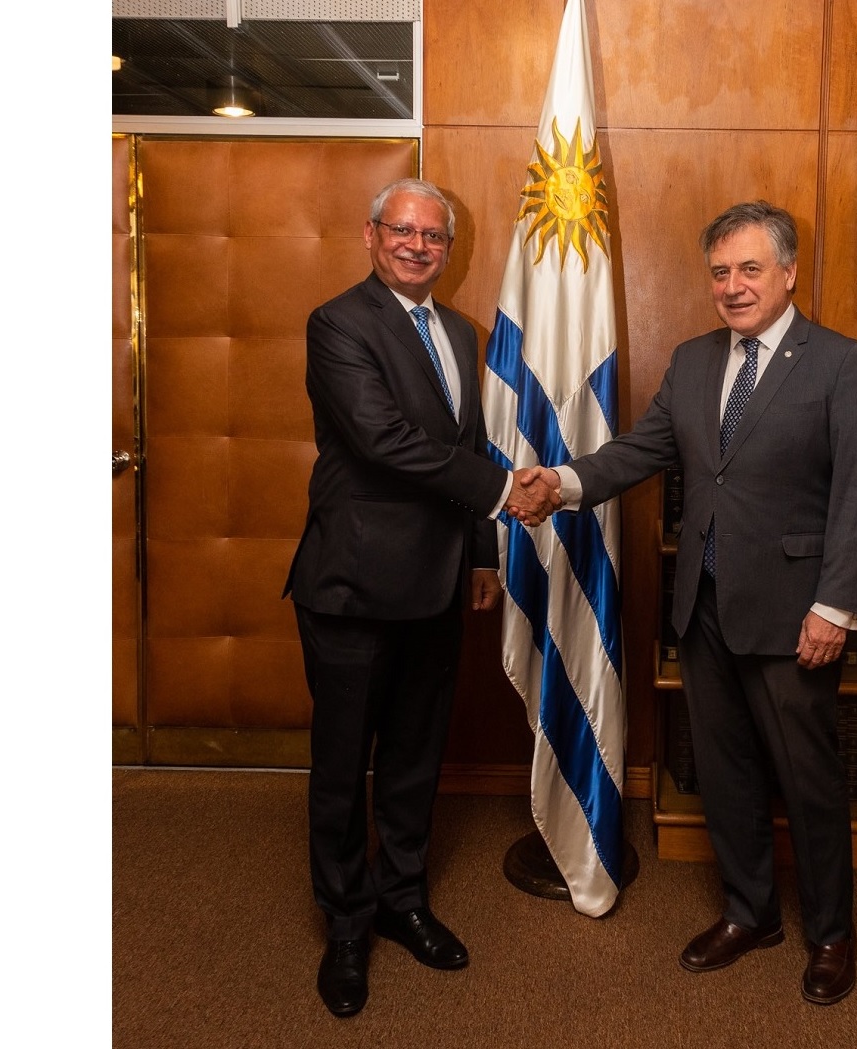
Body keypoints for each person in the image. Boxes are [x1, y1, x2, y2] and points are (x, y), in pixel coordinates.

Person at [530, 200, 857, 1005]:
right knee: (723, 773)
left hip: (796, 614)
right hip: (705, 605)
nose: (733, 286)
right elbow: (640, 450)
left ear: (788, 273)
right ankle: (750, 910)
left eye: (750, 269)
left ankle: (830, 931)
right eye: (721, 272)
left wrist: (834, 608)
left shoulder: (840, 364)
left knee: (808, 782)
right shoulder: (693, 361)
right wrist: (561, 482)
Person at [283, 177, 560, 1018]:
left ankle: (402, 899)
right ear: (370, 235)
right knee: (342, 767)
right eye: (401, 230)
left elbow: (461, 444)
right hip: (352, 585)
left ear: (449, 248)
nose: (416, 245)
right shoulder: (338, 324)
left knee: (413, 756)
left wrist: (482, 552)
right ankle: (345, 923)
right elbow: (382, 439)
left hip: (438, 582)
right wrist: (506, 493)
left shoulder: (458, 329)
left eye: (433, 236)